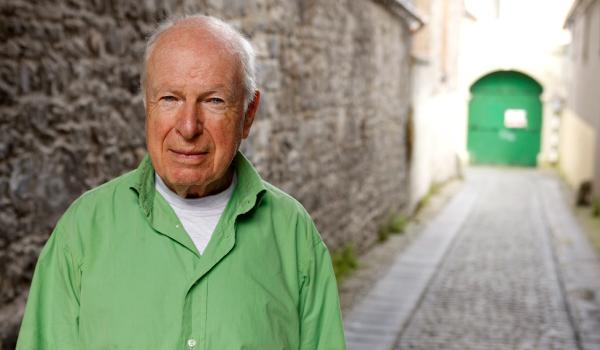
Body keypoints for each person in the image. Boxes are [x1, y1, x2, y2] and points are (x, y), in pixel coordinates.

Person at [16, 14, 346, 350]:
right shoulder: (83, 231)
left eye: (214, 100)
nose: (188, 127)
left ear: (248, 114)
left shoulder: (294, 236)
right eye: (170, 99)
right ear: (147, 106)